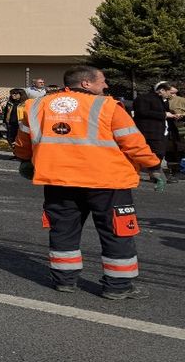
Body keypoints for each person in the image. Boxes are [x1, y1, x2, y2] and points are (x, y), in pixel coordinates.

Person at [14, 66, 163, 299]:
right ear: (86, 84)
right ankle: (118, 286)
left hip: (58, 180)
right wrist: (154, 167)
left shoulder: (37, 106)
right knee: (117, 232)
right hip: (107, 181)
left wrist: (24, 160)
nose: (105, 86)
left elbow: (23, 141)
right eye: (102, 81)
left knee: (63, 229)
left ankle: (64, 281)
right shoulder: (107, 106)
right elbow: (133, 143)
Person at [132, 81, 177, 183]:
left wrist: (173, 115)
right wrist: (164, 115)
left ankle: (155, 175)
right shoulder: (144, 98)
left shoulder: (162, 100)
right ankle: (154, 175)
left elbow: (162, 112)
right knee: (154, 154)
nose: (172, 95)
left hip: (161, 131)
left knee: (159, 154)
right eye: (171, 92)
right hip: (149, 131)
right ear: (162, 90)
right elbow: (142, 112)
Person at [0, 88, 29, 155]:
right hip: (11, 123)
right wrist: (4, 121)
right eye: (12, 94)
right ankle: (16, 152)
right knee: (10, 138)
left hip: (21, 123)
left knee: (20, 139)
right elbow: (6, 112)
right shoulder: (10, 103)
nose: (13, 95)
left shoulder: (26, 103)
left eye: (15, 94)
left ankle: (21, 154)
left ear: (21, 94)